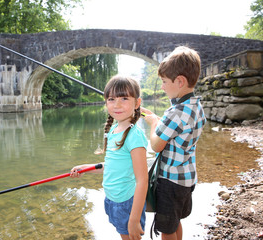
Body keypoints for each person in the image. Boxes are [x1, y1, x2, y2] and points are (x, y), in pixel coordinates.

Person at [70, 75, 149, 240]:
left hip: (127, 202)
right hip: (112, 199)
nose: (117, 104)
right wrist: (86, 168)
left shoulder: (135, 136)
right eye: (112, 99)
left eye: (124, 98)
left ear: (137, 103)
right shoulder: (114, 129)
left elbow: (142, 180)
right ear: (106, 102)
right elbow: (112, 166)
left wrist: (134, 219)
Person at [141, 46, 206, 240]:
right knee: (175, 221)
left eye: (164, 82)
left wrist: (153, 123)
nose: (162, 86)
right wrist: (159, 120)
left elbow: (156, 145)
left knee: (167, 229)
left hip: (170, 182)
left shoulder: (175, 114)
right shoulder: (195, 106)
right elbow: (177, 129)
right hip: (187, 179)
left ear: (179, 81)